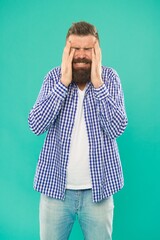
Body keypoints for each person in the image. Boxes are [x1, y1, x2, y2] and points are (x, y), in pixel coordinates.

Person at [28, 21, 128, 240]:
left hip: (98, 192)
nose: (81, 55)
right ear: (66, 50)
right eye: (75, 49)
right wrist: (63, 83)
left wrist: (98, 84)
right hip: (55, 191)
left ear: (98, 51)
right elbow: (36, 124)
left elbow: (117, 128)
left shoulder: (110, 79)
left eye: (88, 49)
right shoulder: (53, 78)